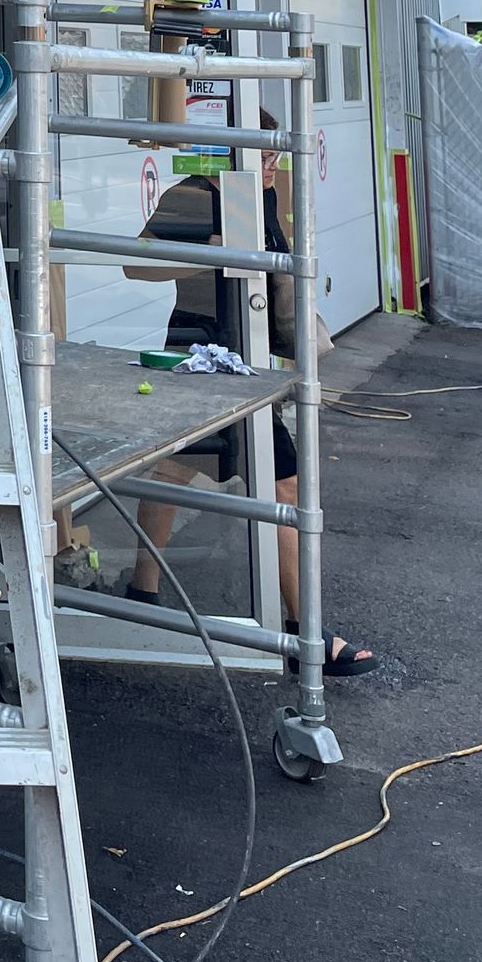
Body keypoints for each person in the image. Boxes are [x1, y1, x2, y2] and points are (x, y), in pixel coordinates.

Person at [122, 119, 374, 676]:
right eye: (261, 158)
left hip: (249, 359)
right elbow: (133, 263)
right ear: (225, 156)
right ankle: (301, 631)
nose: (272, 168)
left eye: (275, 159)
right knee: (267, 482)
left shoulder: (264, 194)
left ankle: (145, 592)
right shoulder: (189, 196)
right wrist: (212, 251)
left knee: (180, 471)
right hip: (199, 349)